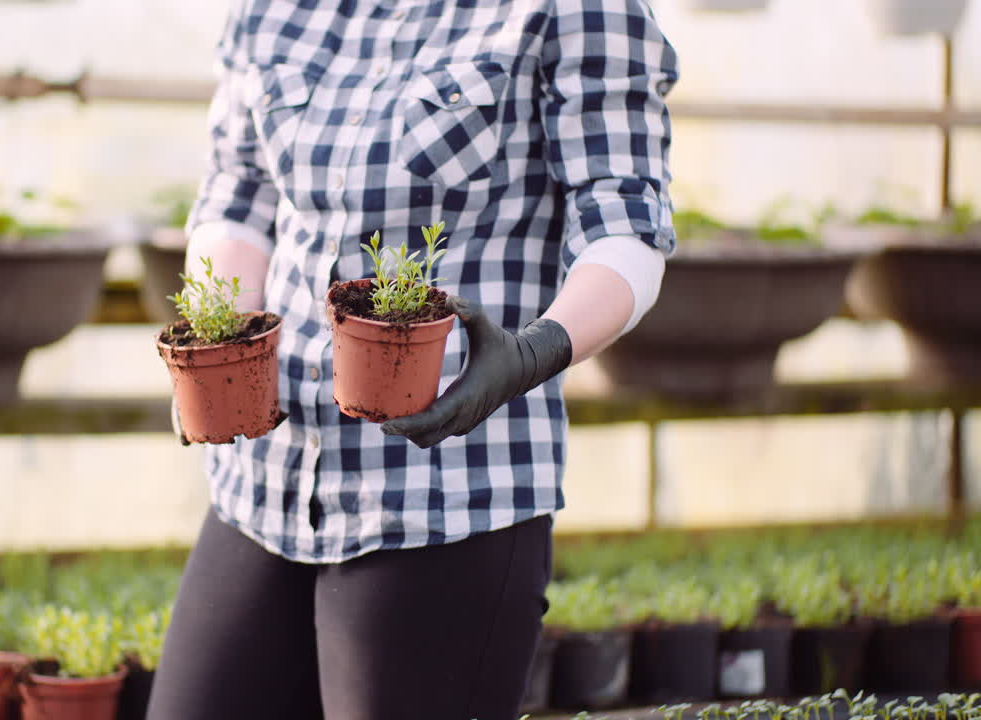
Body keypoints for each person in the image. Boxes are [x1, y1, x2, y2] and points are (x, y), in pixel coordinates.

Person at [147, 0, 679, 718]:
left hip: (446, 492)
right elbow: (238, 194)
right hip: (263, 481)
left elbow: (627, 230)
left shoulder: (571, 10)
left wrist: (532, 352)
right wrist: (222, 340)